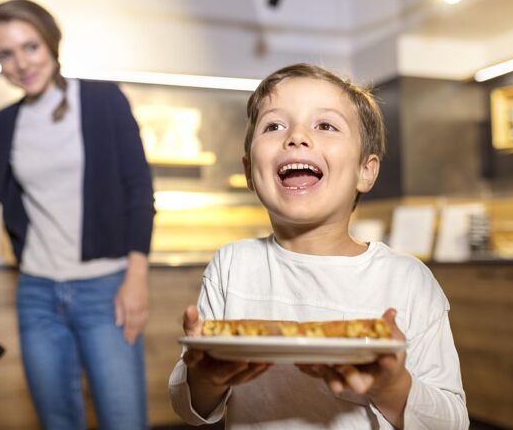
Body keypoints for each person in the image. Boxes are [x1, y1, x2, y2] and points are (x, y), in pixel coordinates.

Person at [168, 63, 468, 429]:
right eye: (274, 126)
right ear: (249, 171)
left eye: (325, 125)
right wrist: (206, 378)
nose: (296, 136)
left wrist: (392, 387)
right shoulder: (232, 266)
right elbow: (189, 407)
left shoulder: (408, 281)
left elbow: (453, 422)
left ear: (366, 170)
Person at [0, 0, 155, 430]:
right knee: (57, 422)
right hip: (37, 292)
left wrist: (135, 278)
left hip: (105, 288)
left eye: (31, 47)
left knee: (123, 420)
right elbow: (12, 202)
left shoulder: (102, 100)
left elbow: (139, 189)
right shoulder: (4, 123)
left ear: (51, 45)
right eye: (6, 53)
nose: (21, 63)